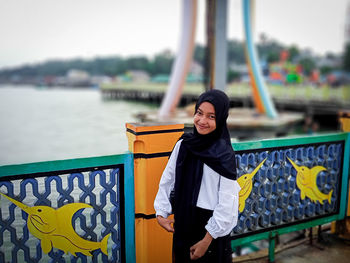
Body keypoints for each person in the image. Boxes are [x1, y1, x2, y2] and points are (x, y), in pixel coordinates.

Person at [154, 89, 240, 262]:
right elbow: (168, 179)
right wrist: (161, 213)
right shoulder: (184, 145)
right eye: (199, 113)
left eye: (211, 117)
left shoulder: (224, 155)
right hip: (184, 220)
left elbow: (228, 203)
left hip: (210, 229)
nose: (202, 121)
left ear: (221, 119)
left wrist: (207, 240)